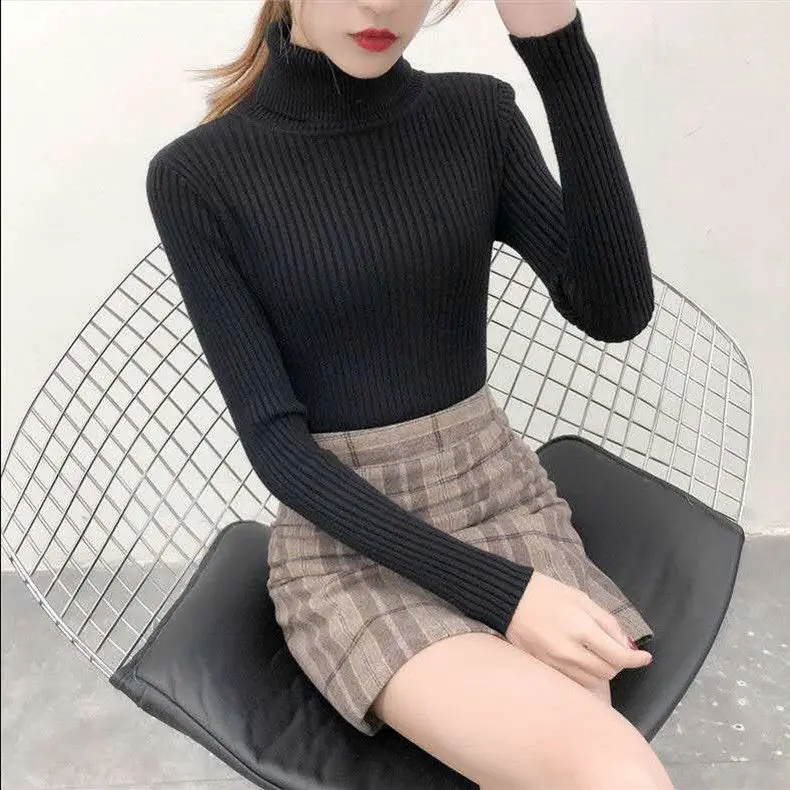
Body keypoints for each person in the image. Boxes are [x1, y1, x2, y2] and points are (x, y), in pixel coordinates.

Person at [146, 0, 674, 787]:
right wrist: (507, 598)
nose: (383, 5)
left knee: (573, 755)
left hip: (500, 502)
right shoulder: (198, 176)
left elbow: (615, 310)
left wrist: (558, 51)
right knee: (606, 769)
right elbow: (279, 451)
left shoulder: (477, 117)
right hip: (349, 545)